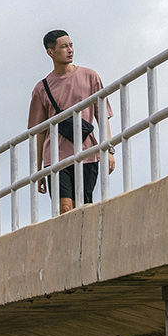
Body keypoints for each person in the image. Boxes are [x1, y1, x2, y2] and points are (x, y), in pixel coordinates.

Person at [27, 30, 115, 214]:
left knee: (84, 208)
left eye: (71, 45)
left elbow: (102, 116)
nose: (70, 50)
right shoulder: (41, 88)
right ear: (50, 52)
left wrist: (109, 150)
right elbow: (39, 132)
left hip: (87, 153)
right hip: (56, 158)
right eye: (64, 46)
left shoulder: (90, 76)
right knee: (65, 209)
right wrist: (38, 170)